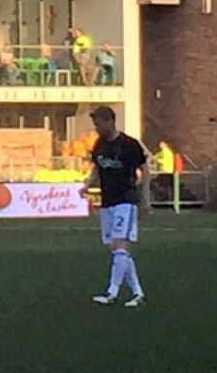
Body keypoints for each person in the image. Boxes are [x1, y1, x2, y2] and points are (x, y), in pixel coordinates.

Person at [87, 105, 147, 306]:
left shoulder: (129, 145)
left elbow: (144, 168)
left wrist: (144, 197)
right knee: (117, 250)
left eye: (98, 124)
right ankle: (138, 293)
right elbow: (96, 168)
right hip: (107, 202)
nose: (96, 128)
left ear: (110, 121)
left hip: (126, 200)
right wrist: (86, 185)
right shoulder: (100, 145)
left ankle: (111, 293)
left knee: (119, 245)